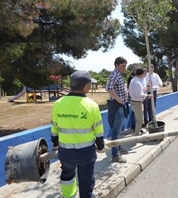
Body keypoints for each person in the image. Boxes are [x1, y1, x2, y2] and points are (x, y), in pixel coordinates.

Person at [50, 70, 107, 198]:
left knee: (67, 176)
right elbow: (98, 130)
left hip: (66, 152)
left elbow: (54, 128)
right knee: (86, 179)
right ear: (86, 86)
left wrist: (55, 144)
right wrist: (101, 146)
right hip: (86, 153)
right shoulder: (91, 105)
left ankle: (69, 196)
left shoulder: (58, 104)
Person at [105, 56, 129, 163]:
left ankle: (118, 147)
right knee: (116, 130)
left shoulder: (118, 74)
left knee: (117, 129)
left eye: (125, 66)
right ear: (116, 65)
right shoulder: (115, 75)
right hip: (116, 105)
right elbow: (109, 88)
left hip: (118, 105)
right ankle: (115, 155)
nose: (124, 68)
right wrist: (118, 99)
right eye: (122, 66)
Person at [128, 67, 152, 136]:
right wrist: (147, 96)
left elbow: (139, 90)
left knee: (138, 119)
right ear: (141, 74)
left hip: (135, 102)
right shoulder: (137, 82)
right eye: (144, 73)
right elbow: (139, 94)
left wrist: (146, 89)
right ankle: (136, 134)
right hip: (137, 103)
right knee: (140, 120)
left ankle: (137, 131)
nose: (144, 75)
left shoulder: (135, 80)